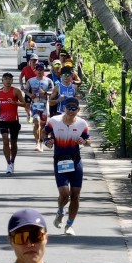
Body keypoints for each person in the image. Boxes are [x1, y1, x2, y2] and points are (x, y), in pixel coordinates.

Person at [44, 97, 90, 236]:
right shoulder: (54, 121)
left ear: (78, 110)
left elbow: (88, 140)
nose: (71, 111)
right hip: (60, 161)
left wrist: (84, 141)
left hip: (75, 162)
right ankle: (60, 212)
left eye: (73, 108)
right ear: (64, 108)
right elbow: (44, 132)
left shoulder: (82, 124)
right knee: (64, 194)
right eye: (68, 108)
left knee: (75, 195)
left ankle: (69, 225)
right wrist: (47, 141)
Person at [0, 73, 30, 174]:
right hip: (2, 120)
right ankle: (8, 164)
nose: (8, 81)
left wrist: (15, 103)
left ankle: (13, 160)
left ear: (12, 81)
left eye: (10, 79)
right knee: (5, 141)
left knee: (13, 143)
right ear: (2, 80)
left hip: (14, 121)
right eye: (5, 79)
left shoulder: (16, 91)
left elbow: (25, 104)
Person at [26, 63, 54, 152]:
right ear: (35, 70)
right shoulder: (30, 81)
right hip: (34, 105)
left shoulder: (48, 81)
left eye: (41, 69)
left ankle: (41, 143)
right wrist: (31, 95)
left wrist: (45, 93)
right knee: (36, 122)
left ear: (43, 71)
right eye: (38, 69)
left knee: (42, 125)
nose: (39, 71)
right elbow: (25, 90)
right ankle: (37, 143)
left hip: (44, 106)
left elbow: (53, 92)